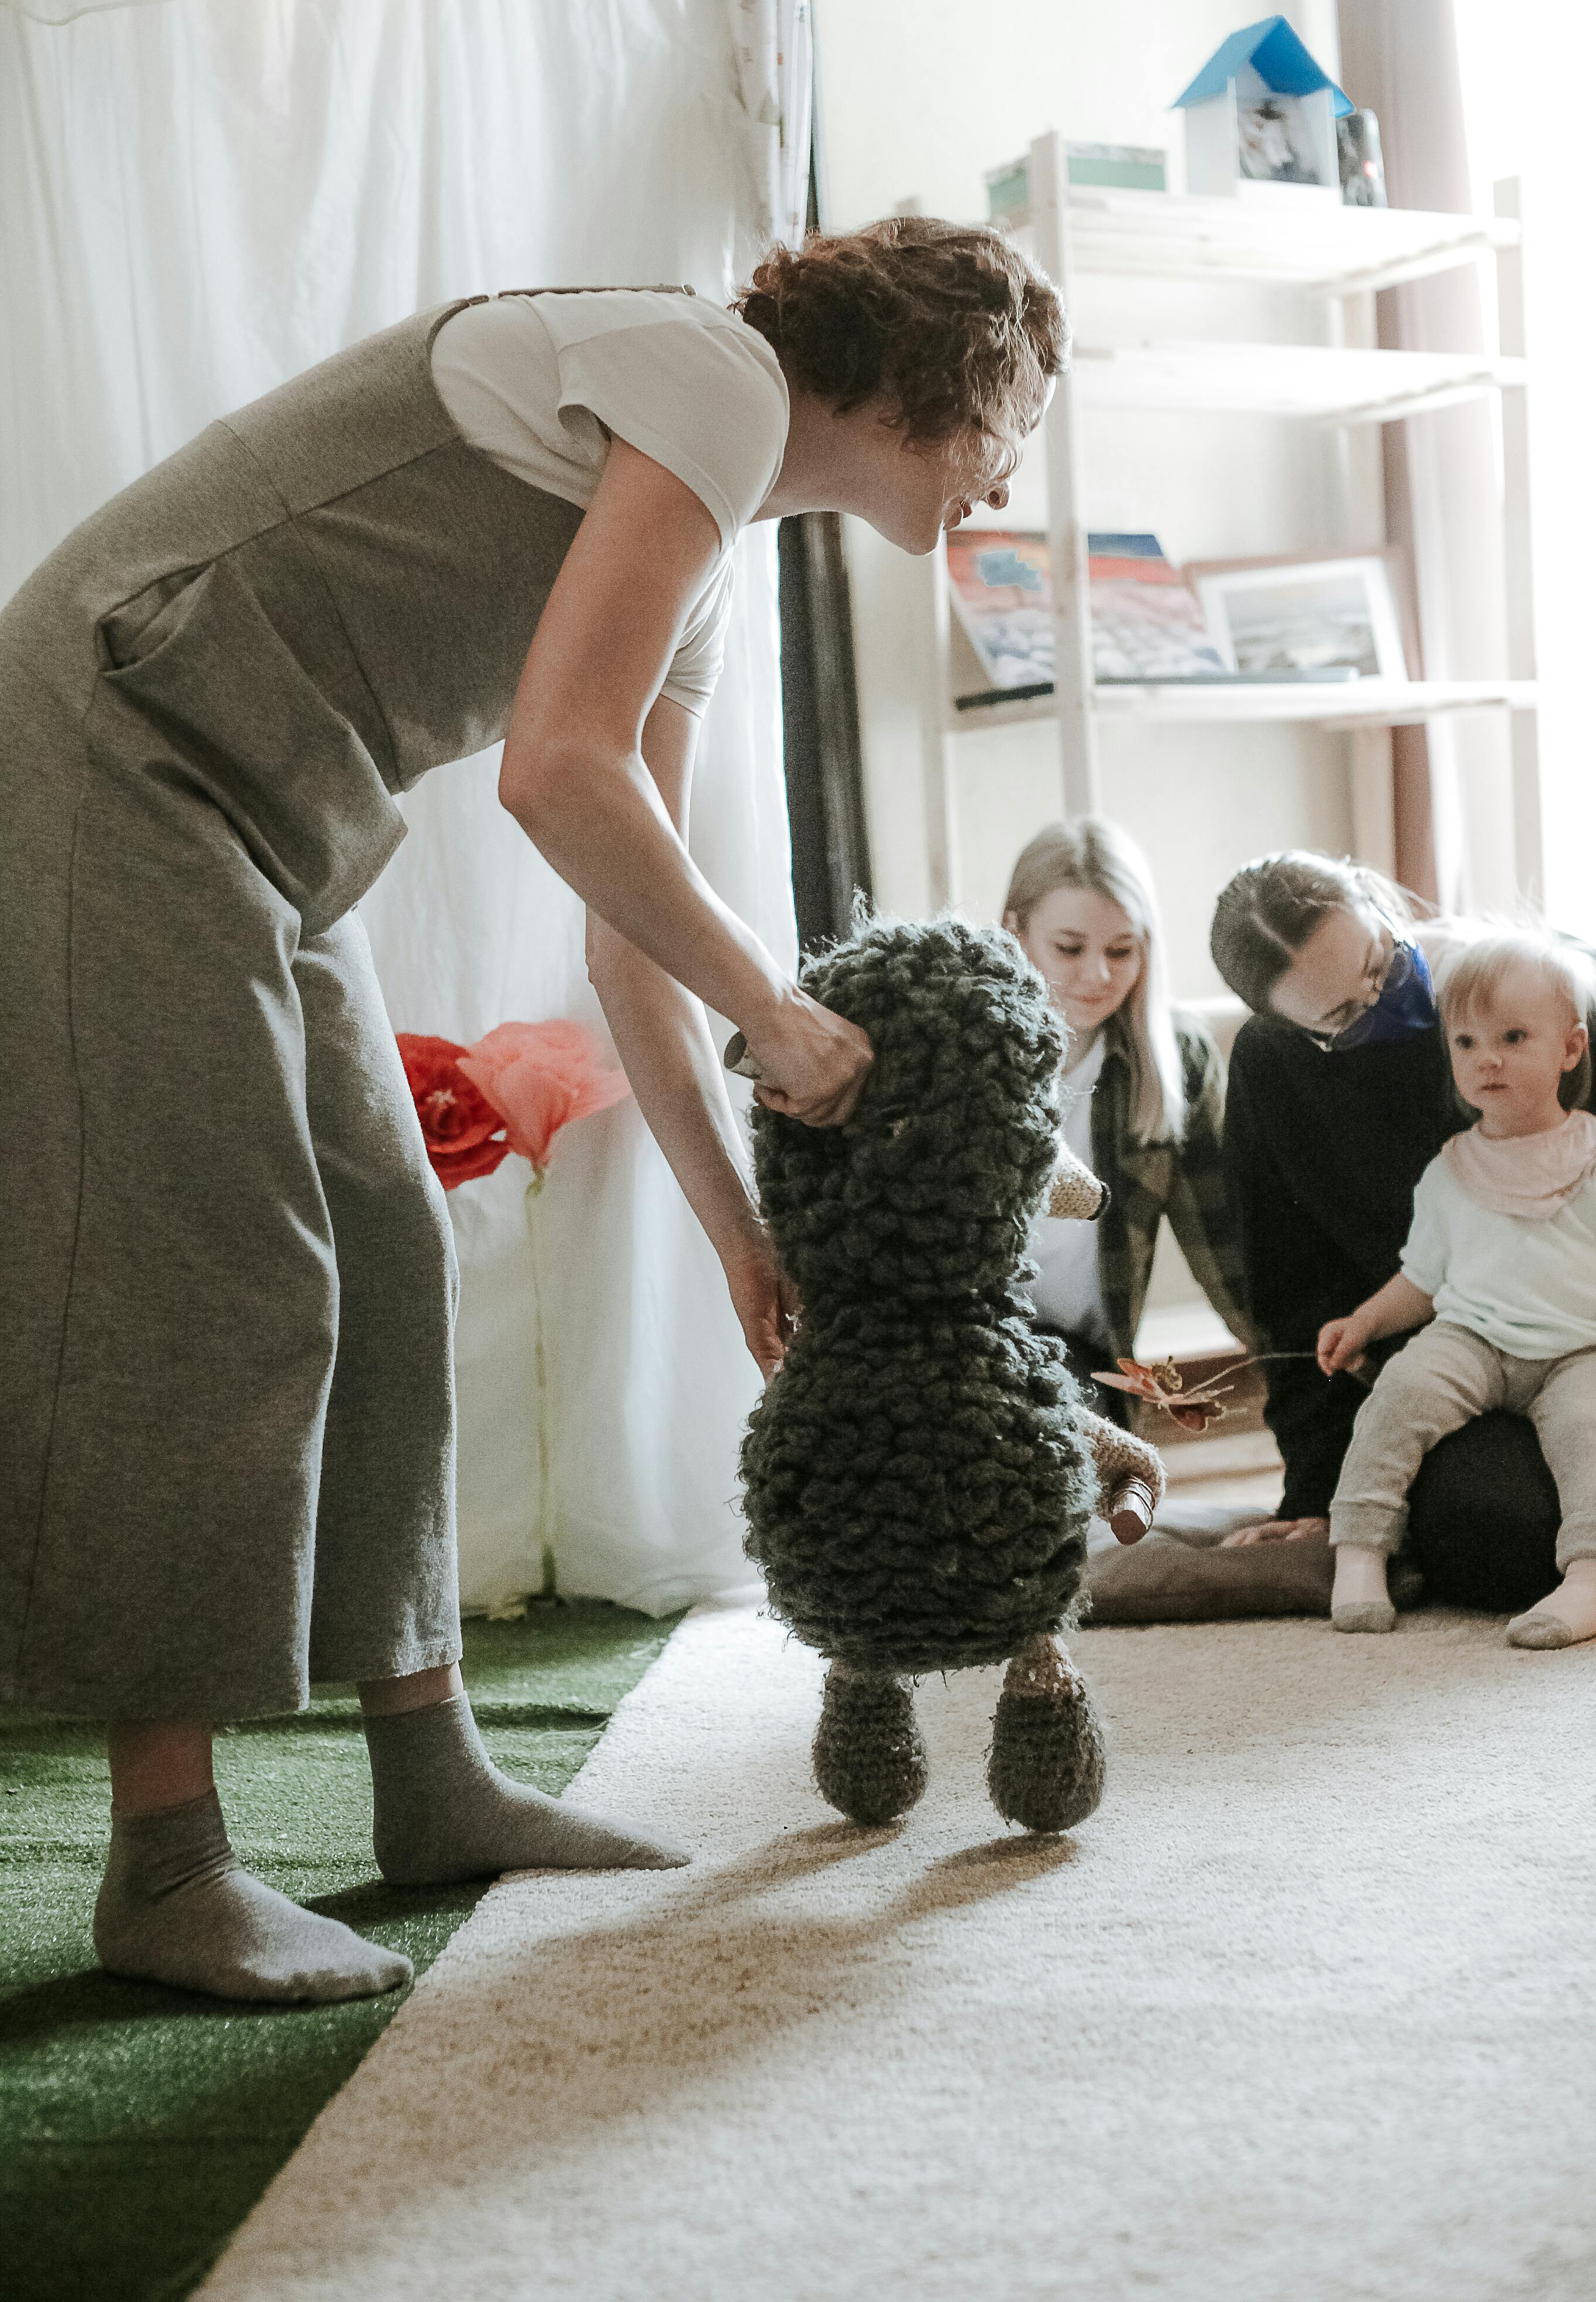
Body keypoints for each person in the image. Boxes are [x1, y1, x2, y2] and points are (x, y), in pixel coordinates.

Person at [1, 219, 1065, 2004]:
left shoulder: (712, 544)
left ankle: (430, 1778)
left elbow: (623, 923)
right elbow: (554, 768)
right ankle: (165, 1865)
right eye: (1016, 420)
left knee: (394, 1248)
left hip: (267, 818)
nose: (1015, 470)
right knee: (219, 1279)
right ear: (933, 376)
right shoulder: (710, 374)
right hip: (109, 743)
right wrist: (782, 1017)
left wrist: (737, 1232)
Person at [1210, 850, 1596, 1612]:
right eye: (1342, 1017)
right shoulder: (1272, 1068)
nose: (1385, 1000)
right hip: (1456, 1351)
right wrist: (1312, 1495)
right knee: (1495, 1538)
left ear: (1384, 906)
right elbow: (1291, 1292)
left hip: (1583, 1336)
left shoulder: (1532, 985)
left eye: (1382, 962)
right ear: (1286, 1027)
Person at [1318, 927, 1596, 1646]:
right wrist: (1365, 1323)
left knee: (1589, 1433)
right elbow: (1422, 1277)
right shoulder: (1448, 1170)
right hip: (1470, 1337)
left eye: (1511, 1037)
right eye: (1467, 1043)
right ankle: (1359, 1550)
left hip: (1578, 1349)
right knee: (1399, 1393)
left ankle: (1590, 1578)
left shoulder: (1589, 1155)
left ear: (1568, 1049)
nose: (1487, 1060)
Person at [1001, 817, 1252, 1417]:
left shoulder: (1172, 1060)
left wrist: (1311, 1360)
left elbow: (1223, 1252)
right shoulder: (953, 1048)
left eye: (1121, 950)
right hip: (957, 1340)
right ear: (1014, 930)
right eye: (1069, 948)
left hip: (1081, 1360)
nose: (1097, 975)